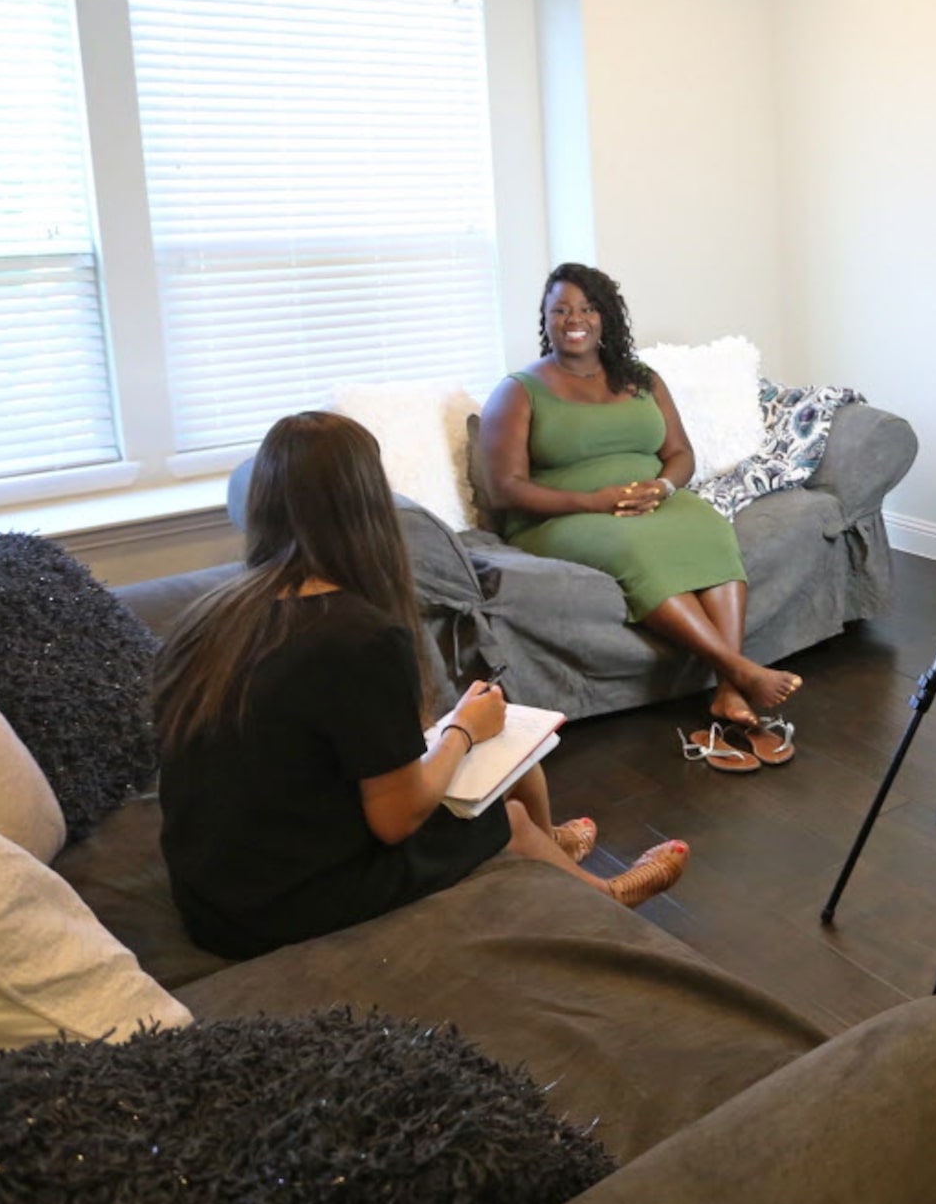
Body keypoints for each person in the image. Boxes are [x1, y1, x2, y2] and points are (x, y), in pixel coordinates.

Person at [156, 412, 688, 958]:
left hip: (213, 892)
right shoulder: (357, 635)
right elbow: (395, 819)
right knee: (503, 809)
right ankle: (605, 893)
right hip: (279, 905)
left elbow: (316, 732)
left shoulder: (212, 613)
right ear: (367, 506)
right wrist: (460, 730)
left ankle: (547, 845)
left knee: (507, 758)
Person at [479, 263, 800, 772]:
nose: (574, 319)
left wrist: (663, 486)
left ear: (606, 317)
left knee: (711, 529)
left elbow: (681, 454)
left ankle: (728, 693)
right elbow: (505, 489)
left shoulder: (642, 379)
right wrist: (596, 501)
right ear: (544, 318)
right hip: (562, 514)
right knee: (636, 549)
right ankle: (740, 671)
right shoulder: (519, 390)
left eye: (586, 308)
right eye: (560, 309)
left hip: (652, 500)